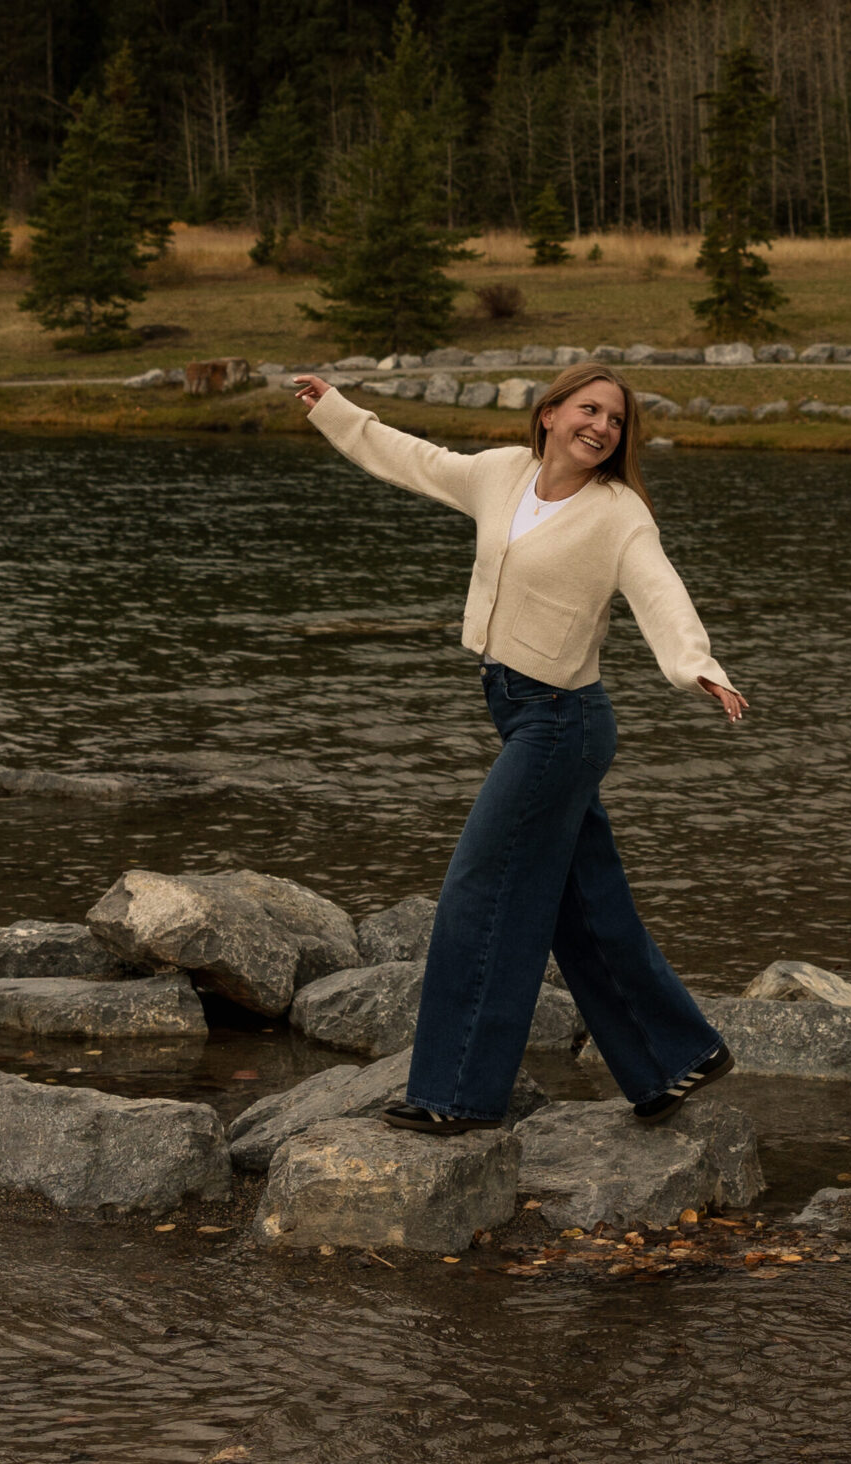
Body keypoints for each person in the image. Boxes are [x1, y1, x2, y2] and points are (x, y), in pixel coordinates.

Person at [291, 361, 745, 1133]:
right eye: (589, 409)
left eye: (615, 421)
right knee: (580, 904)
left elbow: (660, 591)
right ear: (549, 413)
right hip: (516, 709)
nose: (601, 427)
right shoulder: (503, 475)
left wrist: (695, 665)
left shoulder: (619, 514)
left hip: (562, 723)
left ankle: (455, 1094)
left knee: (481, 891)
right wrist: (337, 410)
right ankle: (675, 1056)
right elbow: (415, 460)